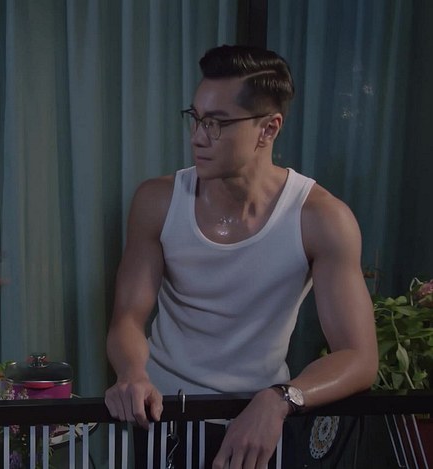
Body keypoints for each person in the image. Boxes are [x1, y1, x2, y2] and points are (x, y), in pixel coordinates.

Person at [104, 45, 378, 469]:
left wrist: (282, 398)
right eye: (196, 118)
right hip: (163, 414)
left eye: (217, 123)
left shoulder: (321, 219)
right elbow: (127, 317)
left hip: (258, 421)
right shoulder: (157, 201)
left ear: (268, 129)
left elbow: (359, 357)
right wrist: (132, 374)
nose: (198, 136)